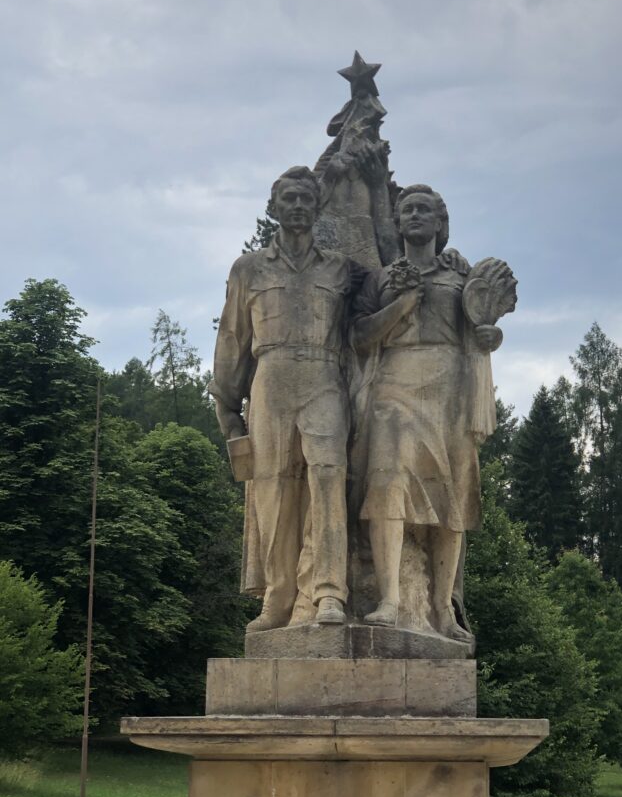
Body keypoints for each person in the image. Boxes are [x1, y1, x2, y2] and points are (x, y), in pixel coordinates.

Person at [351, 184, 504, 639]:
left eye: (425, 210)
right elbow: (359, 337)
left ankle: (441, 609)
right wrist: (402, 302)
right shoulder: (380, 279)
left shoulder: (461, 277)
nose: (415, 215)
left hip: (451, 393)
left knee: (454, 498)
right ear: (397, 223)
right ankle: (390, 600)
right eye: (407, 209)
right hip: (394, 387)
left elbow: (481, 329)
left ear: (440, 222)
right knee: (388, 486)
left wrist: (490, 336)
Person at [209, 166, 351, 631]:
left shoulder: (340, 269)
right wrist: (228, 412)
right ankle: (279, 595)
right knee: (272, 489)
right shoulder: (248, 269)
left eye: (305, 199)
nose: (296, 206)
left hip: (324, 376)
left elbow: (377, 305)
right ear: (273, 208)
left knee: (328, 482)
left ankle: (329, 592)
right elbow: (232, 339)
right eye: (288, 198)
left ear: (317, 206)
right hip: (268, 381)